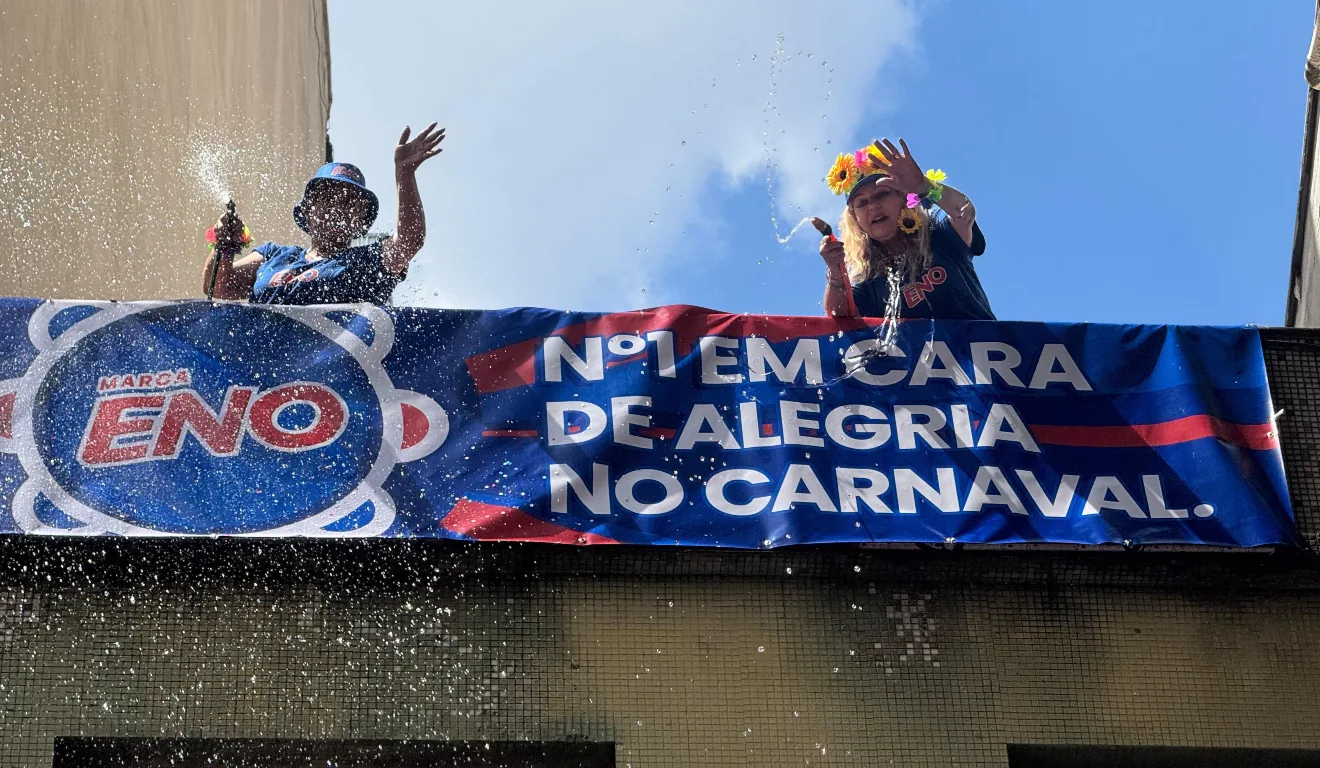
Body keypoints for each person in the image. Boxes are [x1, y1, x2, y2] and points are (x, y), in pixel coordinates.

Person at [202, 123, 446, 305]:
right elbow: (218, 288)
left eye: (350, 202)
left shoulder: (368, 261)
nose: (337, 207)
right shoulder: (274, 255)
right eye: (327, 198)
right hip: (266, 372)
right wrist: (224, 244)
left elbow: (408, 242)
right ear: (306, 211)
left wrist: (404, 173)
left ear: (361, 223)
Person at [820, 138, 994, 321]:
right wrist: (836, 271)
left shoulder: (941, 238)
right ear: (855, 219)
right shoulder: (870, 285)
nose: (872, 206)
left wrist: (923, 185)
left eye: (882, 194)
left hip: (986, 348)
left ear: (903, 198)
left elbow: (964, 212)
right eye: (862, 203)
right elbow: (839, 319)